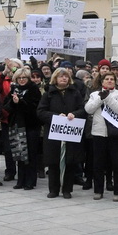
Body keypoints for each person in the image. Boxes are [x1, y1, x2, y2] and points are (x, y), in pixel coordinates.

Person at [37, 67, 86, 199]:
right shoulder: (49, 93)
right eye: (60, 76)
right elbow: (41, 112)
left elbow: (83, 109)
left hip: (70, 132)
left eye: (66, 76)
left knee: (69, 161)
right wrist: (56, 116)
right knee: (53, 162)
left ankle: (67, 189)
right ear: (55, 79)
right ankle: (53, 189)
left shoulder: (75, 93)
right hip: (54, 133)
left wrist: (74, 114)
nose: (64, 78)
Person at [84, 72, 118, 201]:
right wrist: (100, 98)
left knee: (117, 163)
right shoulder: (94, 94)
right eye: (106, 79)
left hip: (115, 134)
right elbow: (88, 109)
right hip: (98, 133)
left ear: (115, 82)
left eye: (112, 79)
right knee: (98, 163)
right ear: (102, 81)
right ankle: (98, 190)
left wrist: (108, 97)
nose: (109, 81)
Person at [4, 67, 42, 191]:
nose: (21, 80)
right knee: (19, 153)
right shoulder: (14, 89)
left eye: (23, 78)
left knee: (30, 154)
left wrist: (20, 102)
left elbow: (34, 108)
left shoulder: (33, 89)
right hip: (17, 124)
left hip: (31, 125)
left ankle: (30, 181)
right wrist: (14, 102)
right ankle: (21, 180)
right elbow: (7, 106)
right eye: (19, 78)